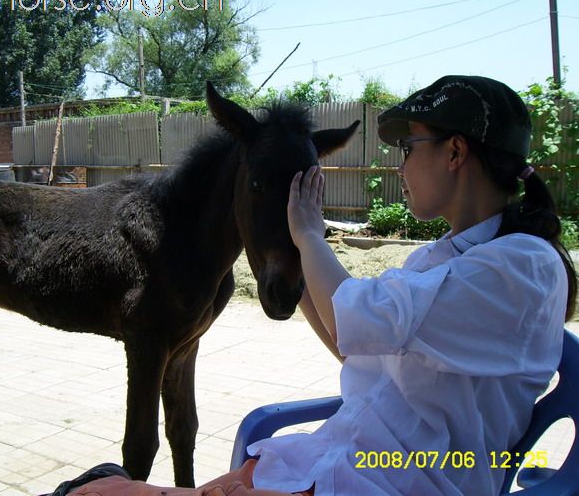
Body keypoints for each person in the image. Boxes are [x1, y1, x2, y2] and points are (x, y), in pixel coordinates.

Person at [46, 75, 576, 496]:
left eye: (409, 147)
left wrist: (308, 237)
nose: (401, 163)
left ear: (456, 153)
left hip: (397, 480)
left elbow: (364, 318)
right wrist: (298, 266)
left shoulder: (522, 266)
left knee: (101, 490)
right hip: (345, 461)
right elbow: (357, 346)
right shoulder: (443, 257)